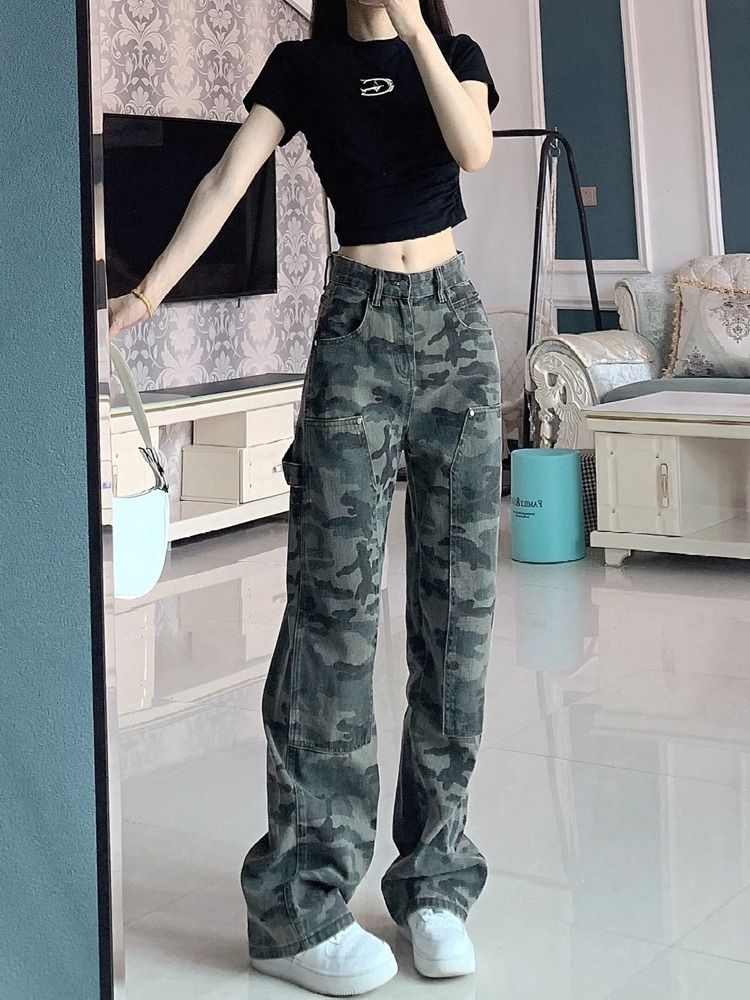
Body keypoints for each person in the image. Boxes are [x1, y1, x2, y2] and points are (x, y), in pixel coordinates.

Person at [109, 0, 501, 995]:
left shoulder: (455, 52)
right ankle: (298, 908)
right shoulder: (301, 67)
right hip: (358, 334)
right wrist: (147, 294)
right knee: (333, 616)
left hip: (456, 331)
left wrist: (415, 29)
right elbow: (225, 176)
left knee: (458, 616)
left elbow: (473, 148)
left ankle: (437, 882)